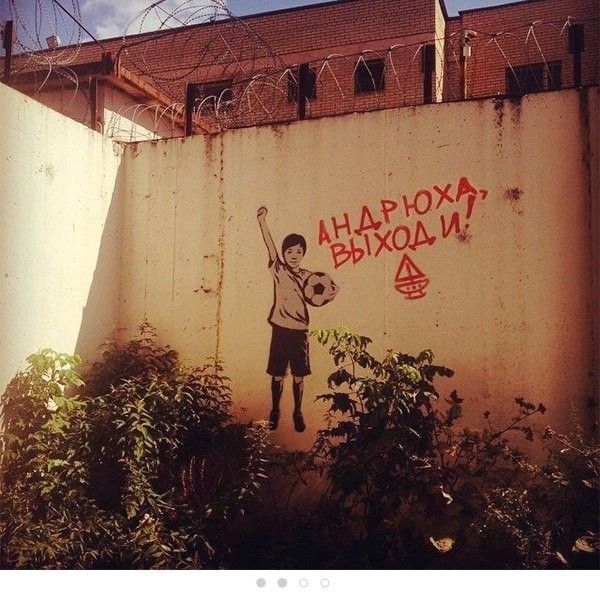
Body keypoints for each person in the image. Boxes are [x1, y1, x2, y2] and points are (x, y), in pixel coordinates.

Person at [256, 206, 324, 432]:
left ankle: (298, 411)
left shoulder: (309, 277)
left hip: (300, 331)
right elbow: (269, 245)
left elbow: (328, 290)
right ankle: (275, 410)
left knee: (299, 375)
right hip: (280, 329)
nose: (294, 255)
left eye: (298, 252)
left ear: (303, 254)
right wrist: (262, 221)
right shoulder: (278, 270)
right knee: (277, 375)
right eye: (290, 251)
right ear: (284, 254)